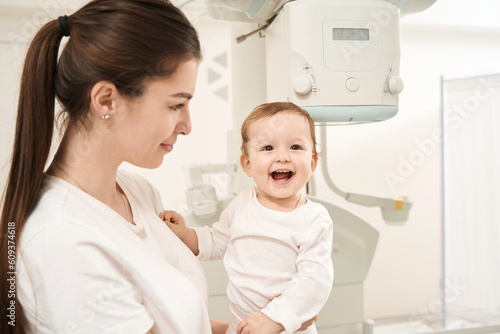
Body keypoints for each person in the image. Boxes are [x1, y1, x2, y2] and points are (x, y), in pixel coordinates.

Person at [0, 0, 227, 333]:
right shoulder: (64, 240)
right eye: (176, 104)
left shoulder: (139, 193)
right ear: (106, 101)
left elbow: (179, 322)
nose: (186, 125)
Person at [161, 102, 334, 334]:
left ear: (312, 163)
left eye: (295, 146)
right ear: (248, 164)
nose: (282, 156)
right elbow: (215, 240)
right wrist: (185, 234)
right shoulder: (241, 206)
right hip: (240, 328)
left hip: (287, 329)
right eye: (268, 148)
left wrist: (274, 319)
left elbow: (314, 282)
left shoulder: (314, 219)